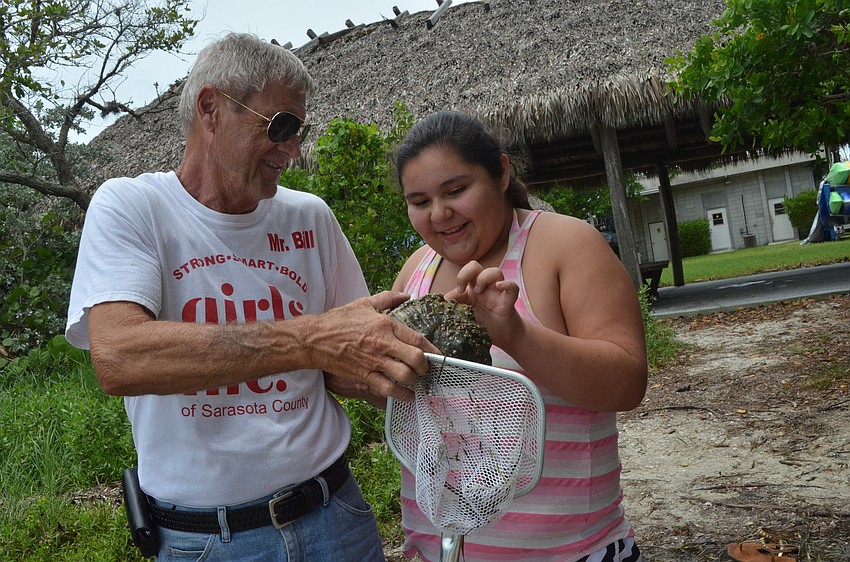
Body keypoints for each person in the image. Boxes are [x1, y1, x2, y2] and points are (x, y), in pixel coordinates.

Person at [65, 32, 437, 562]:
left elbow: (346, 364)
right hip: (205, 540)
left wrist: (430, 347)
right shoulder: (132, 206)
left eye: (299, 130)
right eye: (281, 125)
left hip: (335, 514)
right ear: (211, 108)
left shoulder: (310, 217)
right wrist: (308, 339)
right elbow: (120, 356)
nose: (294, 149)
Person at [391, 111, 648, 562]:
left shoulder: (566, 245)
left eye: (456, 191)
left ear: (502, 172)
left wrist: (515, 334)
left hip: (568, 550)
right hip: (440, 550)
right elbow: (414, 409)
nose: (440, 213)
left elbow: (626, 383)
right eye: (419, 200)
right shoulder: (415, 271)